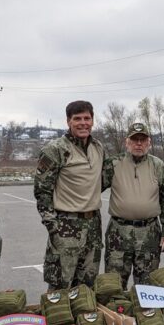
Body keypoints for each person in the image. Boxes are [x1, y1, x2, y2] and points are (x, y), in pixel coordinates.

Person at [34, 100, 106, 291]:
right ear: (68, 121)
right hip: (66, 225)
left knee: (87, 288)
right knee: (60, 287)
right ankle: (58, 320)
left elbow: (100, 181)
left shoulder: (98, 148)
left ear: (92, 120)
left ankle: (82, 322)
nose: (83, 123)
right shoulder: (55, 150)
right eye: (77, 119)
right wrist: (53, 228)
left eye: (87, 118)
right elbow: (42, 191)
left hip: (92, 225)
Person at [102, 122, 164, 288]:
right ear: (127, 142)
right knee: (113, 285)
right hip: (118, 233)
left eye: (143, 139)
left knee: (147, 285)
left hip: (149, 232)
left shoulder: (158, 165)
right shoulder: (113, 164)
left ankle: (145, 314)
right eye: (135, 140)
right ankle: (116, 314)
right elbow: (92, 190)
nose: (139, 144)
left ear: (149, 142)